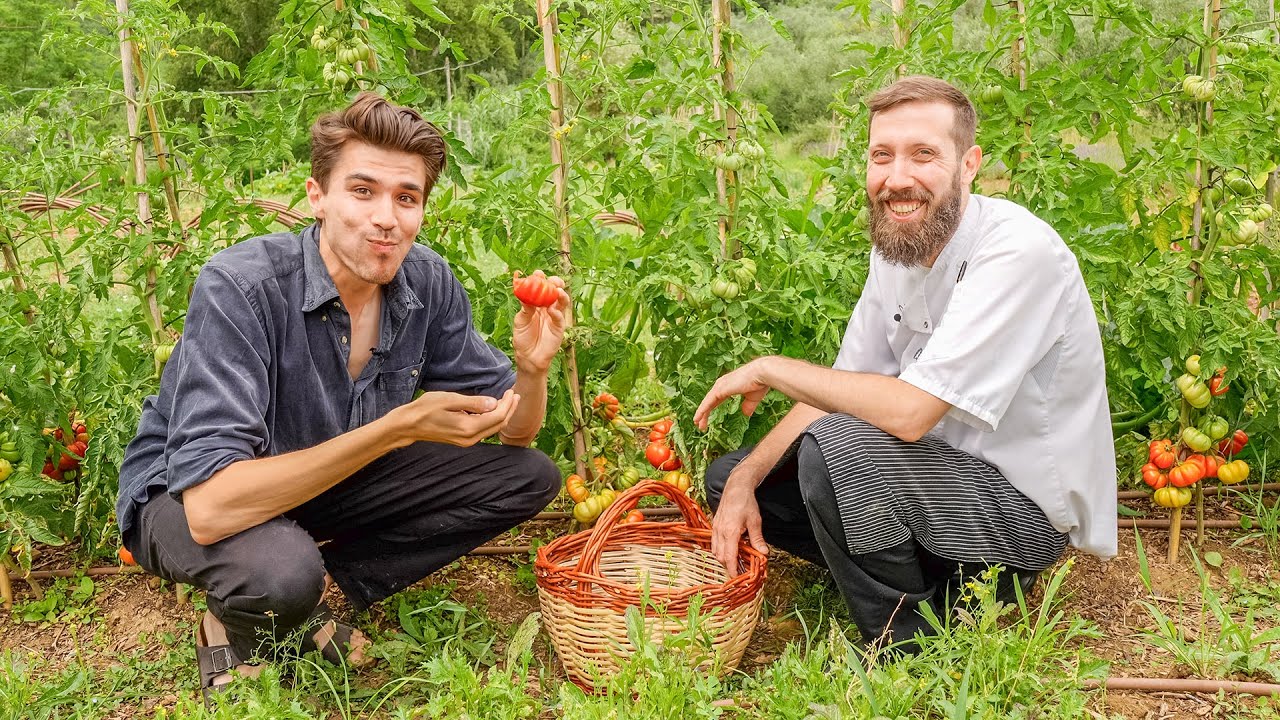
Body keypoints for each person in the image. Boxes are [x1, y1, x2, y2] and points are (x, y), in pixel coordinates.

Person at [116, 92, 566, 696]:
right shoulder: (241, 287)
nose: (386, 216)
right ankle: (240, 619)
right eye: (363, 190)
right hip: (183, 496)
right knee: (278, 571)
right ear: (316, 196)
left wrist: (530, 371)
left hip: (323, 481)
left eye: (406, 198)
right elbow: (210, 508)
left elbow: (515, 433)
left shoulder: (425, 280)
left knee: (527, 475)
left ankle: (316, 600)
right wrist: (400, 427)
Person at [694, 76, 1116, 650]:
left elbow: (911, 414)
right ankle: (923, 579)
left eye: (924, 155)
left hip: (1016, 516)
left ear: (969, 165)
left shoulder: (1017, 252)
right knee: (734, 481)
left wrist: (768, 368)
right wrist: (746, 477)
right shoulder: (898, 247)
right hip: (930, 482)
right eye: (881, 156)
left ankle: (907, 640)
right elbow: (842, 386)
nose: (897, 179)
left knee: (840, 447)